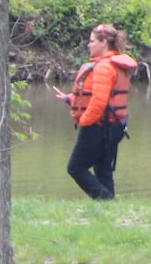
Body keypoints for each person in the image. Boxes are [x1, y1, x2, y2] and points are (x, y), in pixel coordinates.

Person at [51, 23, 137, 200]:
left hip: (99, 127)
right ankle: (110, 213)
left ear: (103, 42)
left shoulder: (104, 68)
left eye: (92, 41)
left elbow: (99, 102)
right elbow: (103, 98)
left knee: (76, 167)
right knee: (103, 169)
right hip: (115, 127)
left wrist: (84, 121)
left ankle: (108, 202)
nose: (88, 45)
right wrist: (70, 99)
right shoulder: (115, 65)